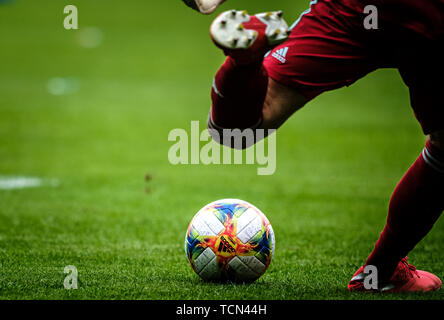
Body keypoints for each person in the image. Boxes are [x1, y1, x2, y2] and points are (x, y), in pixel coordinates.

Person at [183, 0, 444, 292]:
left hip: (353, 9)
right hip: (425, 14)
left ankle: (244, 62)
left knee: (236, 130)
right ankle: (381, 272)